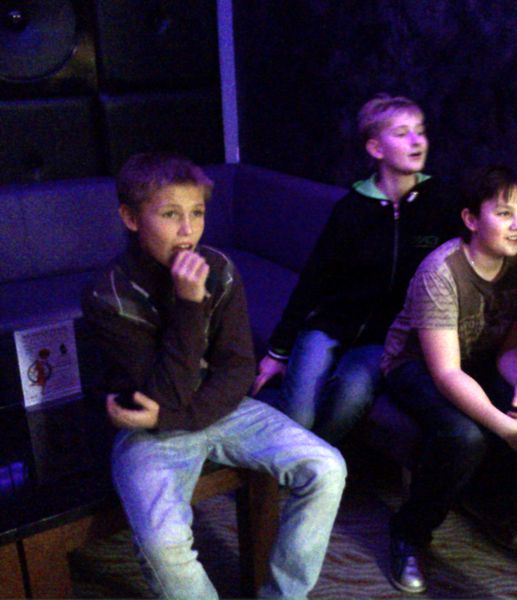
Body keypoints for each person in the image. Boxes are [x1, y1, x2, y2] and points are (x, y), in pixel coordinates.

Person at [81, 153, 346, 600]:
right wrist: (189, 303)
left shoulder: (219, 270)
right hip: (146, 429)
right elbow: (164, 392)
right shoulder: (107, 294)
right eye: (170, 214)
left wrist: (179, 416)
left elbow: (238, 367)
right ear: (130, 218)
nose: (188, 230)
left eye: (197, 213)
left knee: (327, 467)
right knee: (163, 542)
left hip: (209, 410)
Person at [252, 93, 460, 444]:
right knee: (298, 414)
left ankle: (312, 465)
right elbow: (313, 281)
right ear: (376, 148)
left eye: (420, 131)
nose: (416, 141)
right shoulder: (350, 210)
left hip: (385, 337)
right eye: (402, 133)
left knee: (351, 396)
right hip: (330, 324)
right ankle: (264, 435)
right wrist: (277, 352)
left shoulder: (440, 202)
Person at [380, 165, 517, 593]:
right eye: (504, 213)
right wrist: (504, 427)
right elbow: (446, 371)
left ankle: (487, 502)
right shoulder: (441, 271)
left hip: (478, 360)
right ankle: (409, 532)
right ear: (471, 219)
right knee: (464, 434)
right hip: (413, 365)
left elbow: (509, 347)